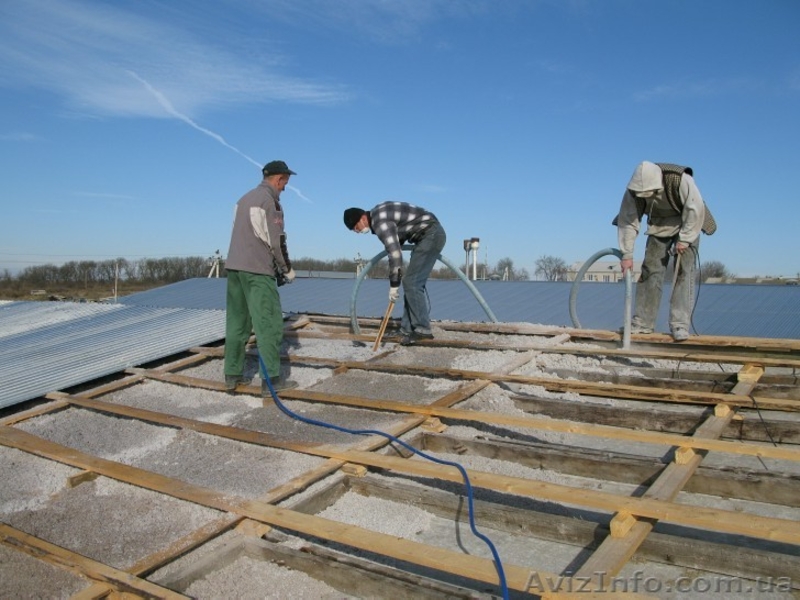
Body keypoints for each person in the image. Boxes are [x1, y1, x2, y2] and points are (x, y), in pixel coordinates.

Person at [614, 161, 716, 342]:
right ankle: (643, 323)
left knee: (684, 272)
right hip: (659, 224)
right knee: (650, 270)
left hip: (688, 222)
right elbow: (628, 220)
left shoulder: (679, 179)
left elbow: (695, 210)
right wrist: (627, 254)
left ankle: (680, 324)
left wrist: (684, 239)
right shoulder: (633, 191)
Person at [224, 160, 298, 395]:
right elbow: (276, 241)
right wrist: (286, 269)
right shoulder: (270, 202)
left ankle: (232, 375)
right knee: (269, 324)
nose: (285, 188)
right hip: (257, 271)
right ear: (279, 179)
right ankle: (272, 381)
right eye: (285, 182)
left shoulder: (243, 199)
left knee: (237, 322)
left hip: (235, 269)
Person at [343, 202, 446, 345]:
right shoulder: (379, 214)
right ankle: (407, 329)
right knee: (411, 283)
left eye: (356, 227)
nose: (357, 231)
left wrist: (394, 284)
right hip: (429, 233)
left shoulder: (379, 222)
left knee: (412, 282)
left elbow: (395, 253)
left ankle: (423, 330)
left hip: (430, 234)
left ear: (362, 218)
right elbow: (399, 237)